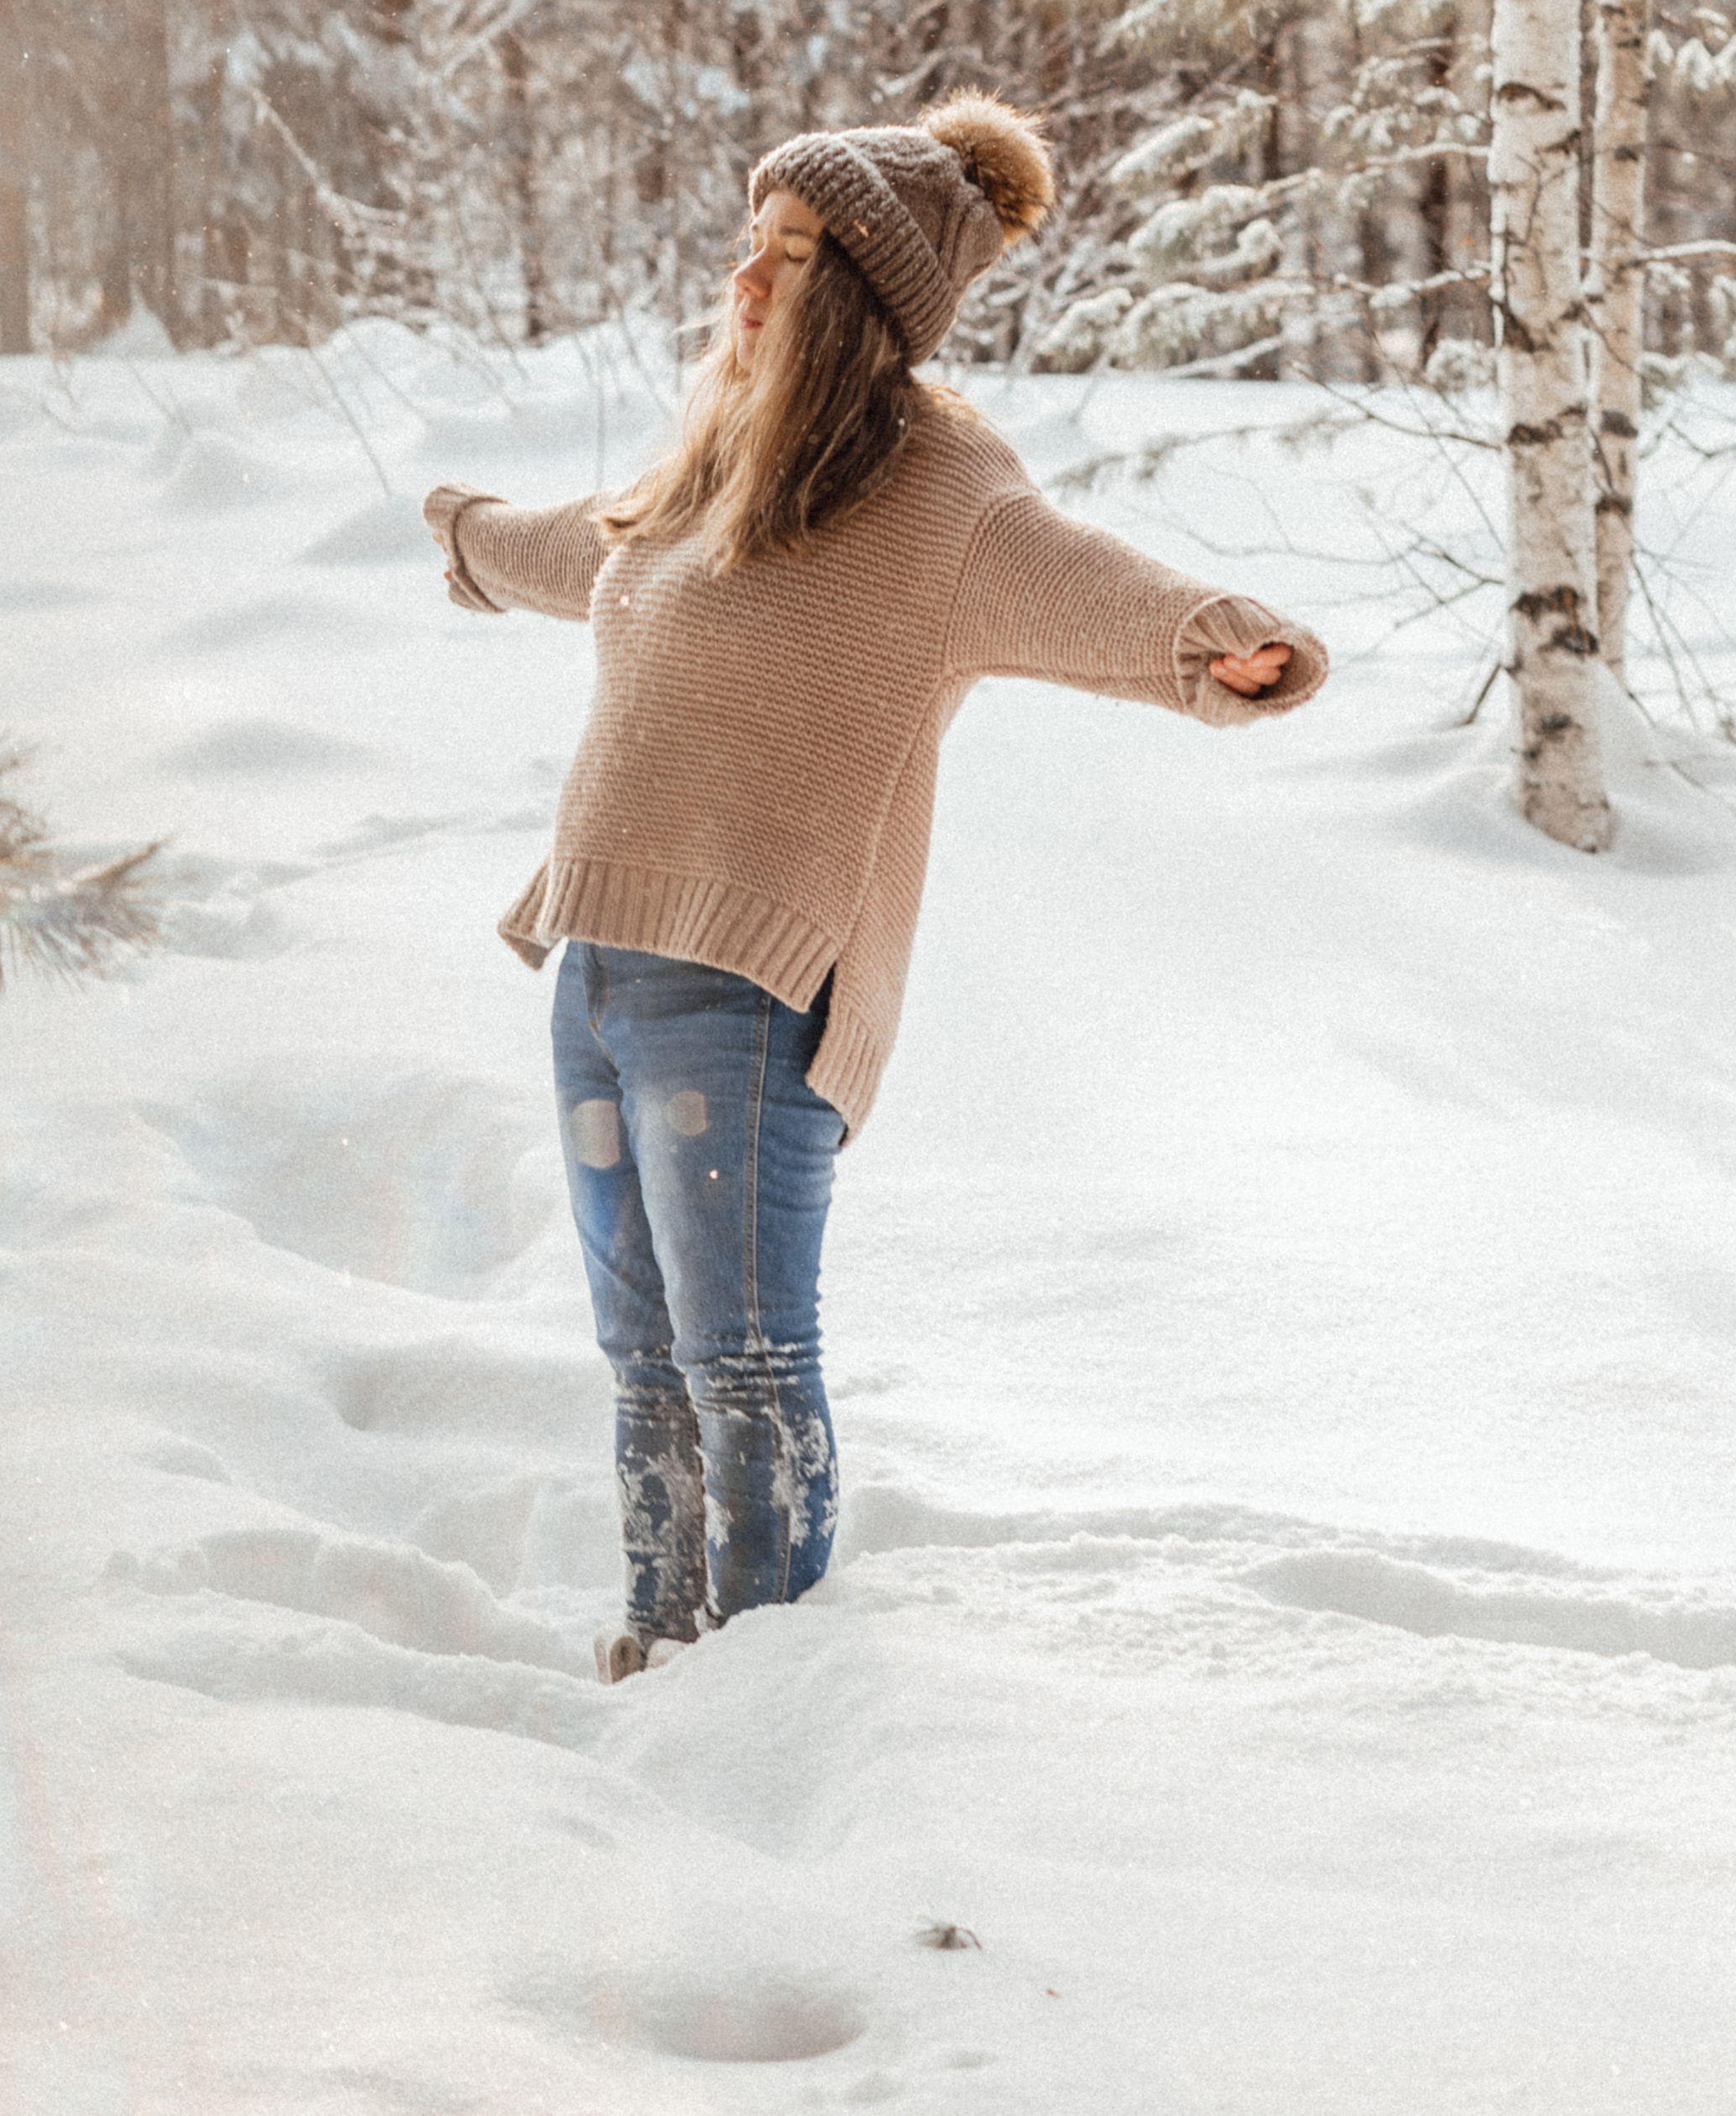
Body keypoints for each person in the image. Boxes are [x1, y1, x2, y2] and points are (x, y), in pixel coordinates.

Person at [423, 93, 1326, 1684]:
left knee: (745, 1364)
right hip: (602, 979)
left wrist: (1217, 640)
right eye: (750, 247)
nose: (748, 281)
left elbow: (1081, 582)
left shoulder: (939, 492)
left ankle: (767, 1699)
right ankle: (663, 1649)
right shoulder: (720, 455)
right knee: (645, 1365)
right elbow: (597, 545)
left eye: (789, 256)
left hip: (747, 1006)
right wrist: (474, 535)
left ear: (859, 298)